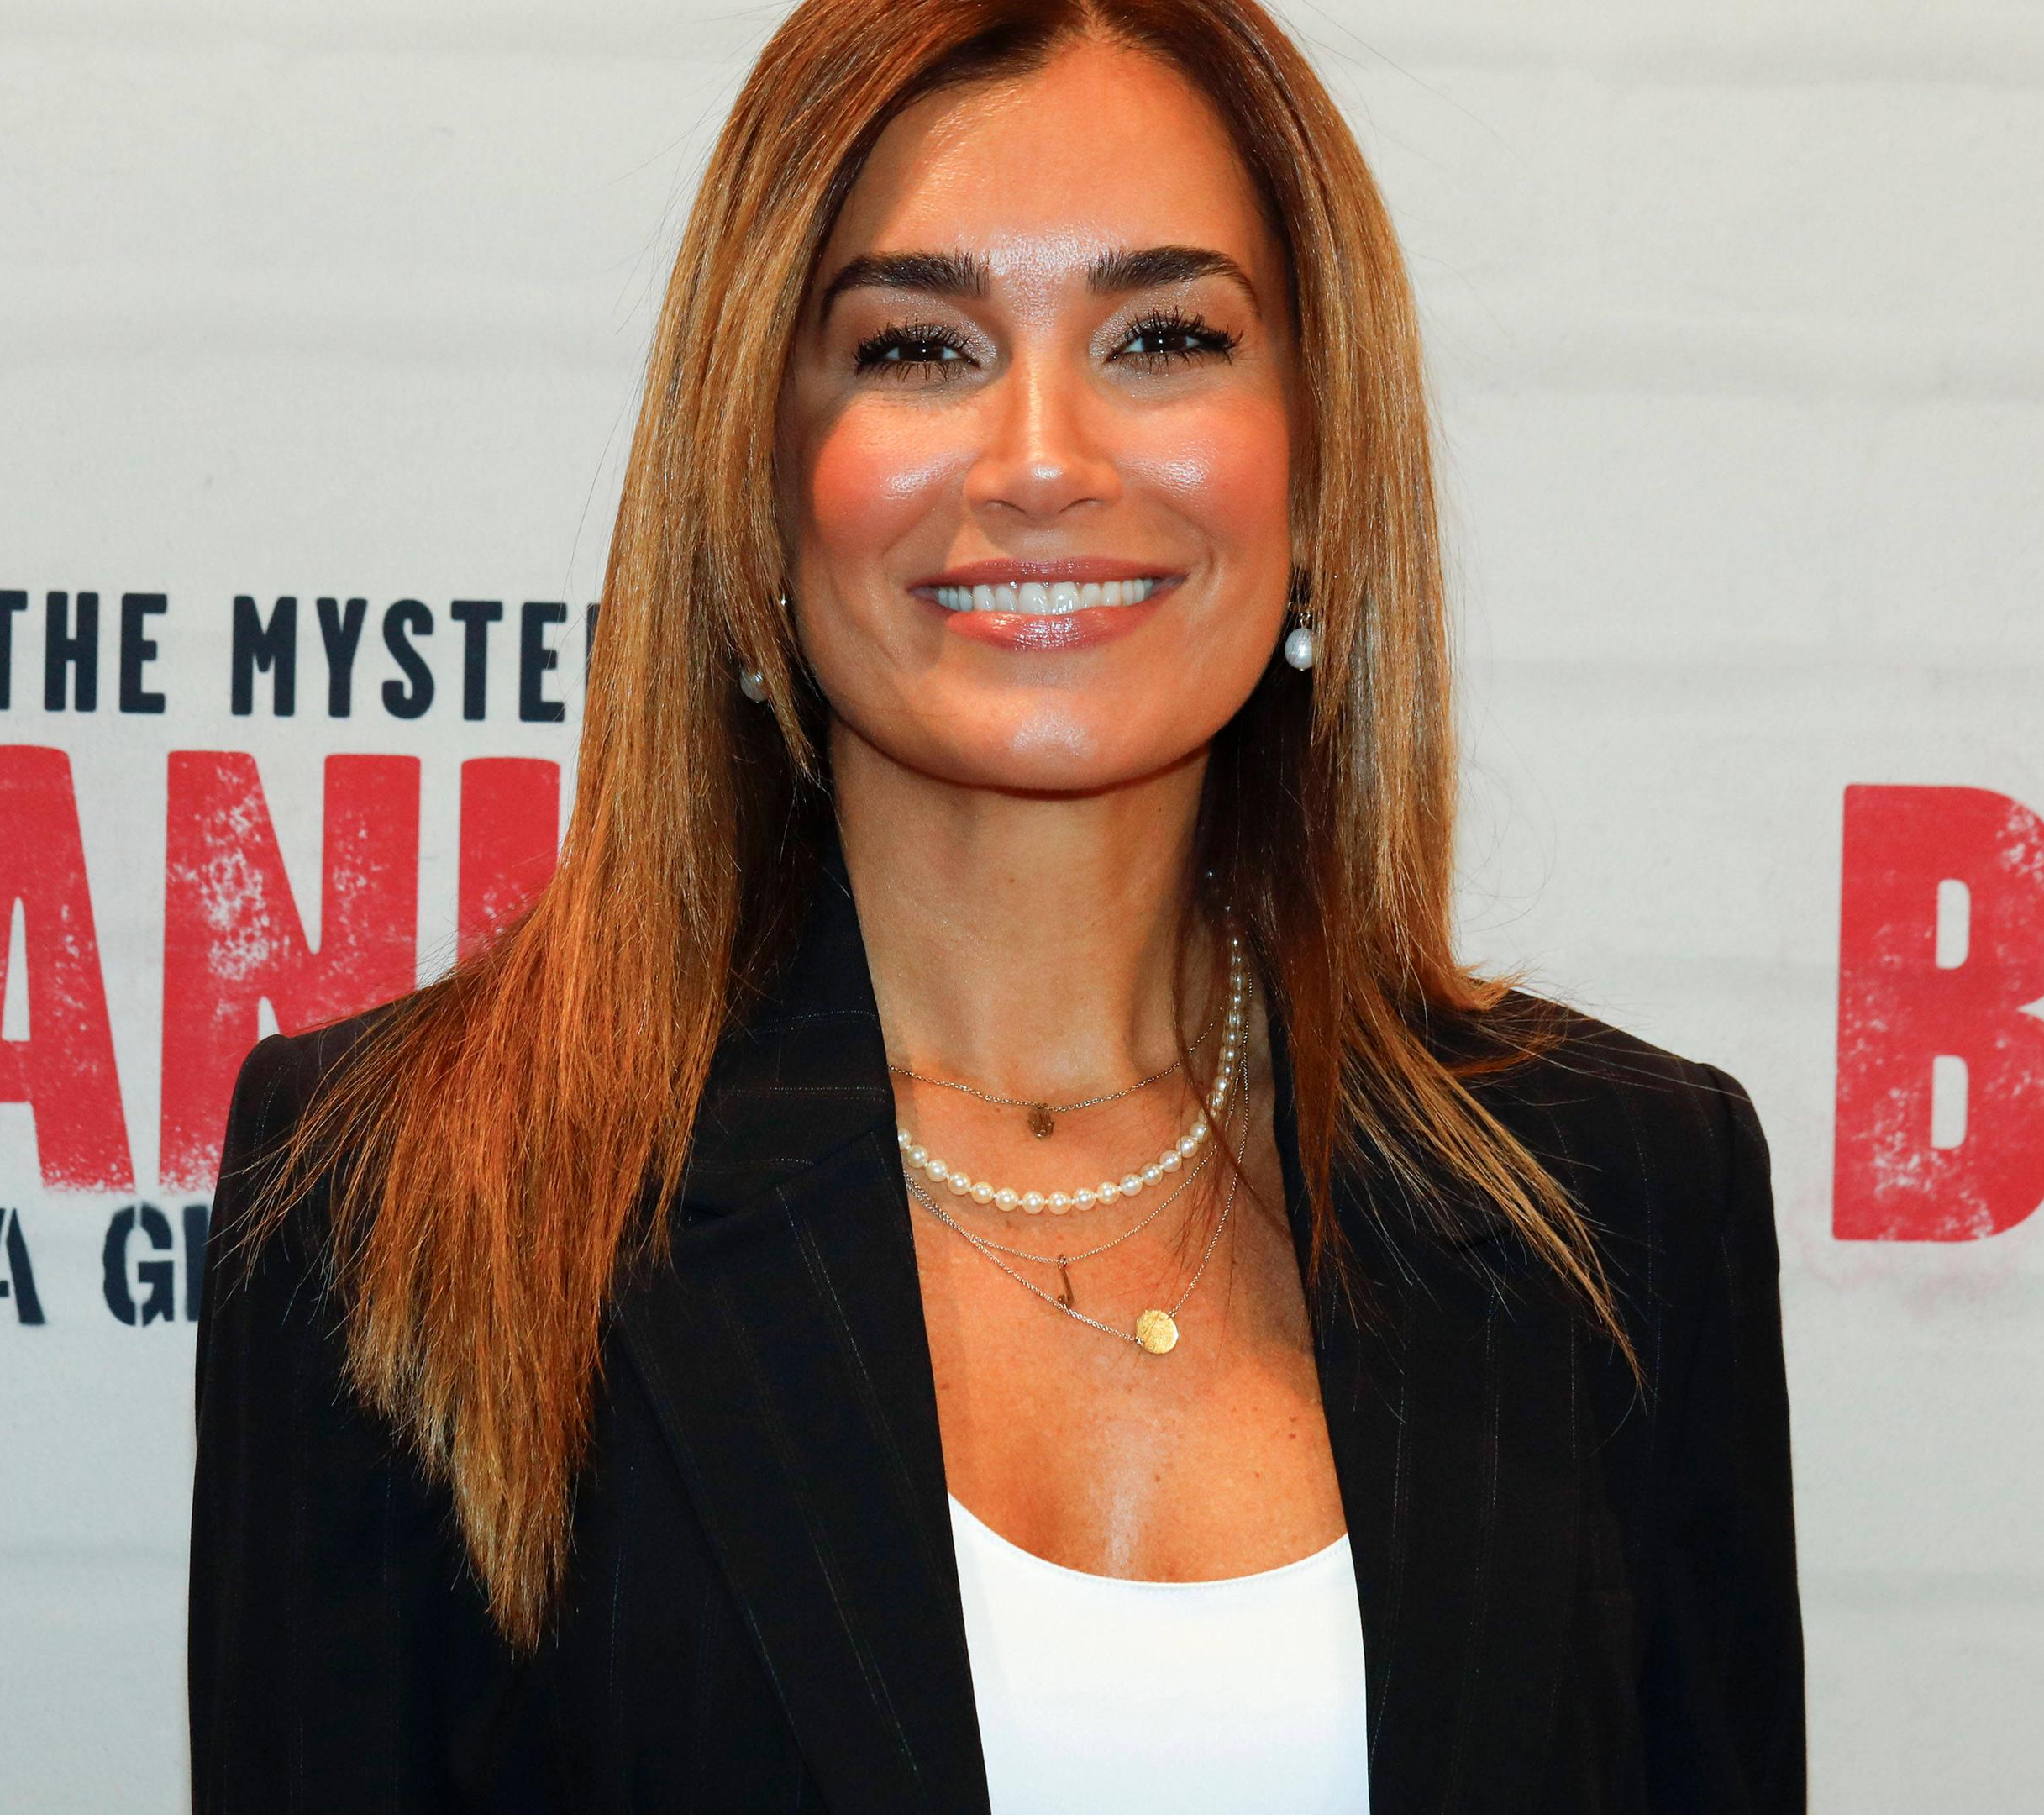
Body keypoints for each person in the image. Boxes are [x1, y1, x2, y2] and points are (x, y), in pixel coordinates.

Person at [187, 1, 1800, 1808]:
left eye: (1165, 338)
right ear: (757, 474)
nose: (1043, 459)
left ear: (1320, 458)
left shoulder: (1624, 1195)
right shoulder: (404, 1190)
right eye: (918, 348)